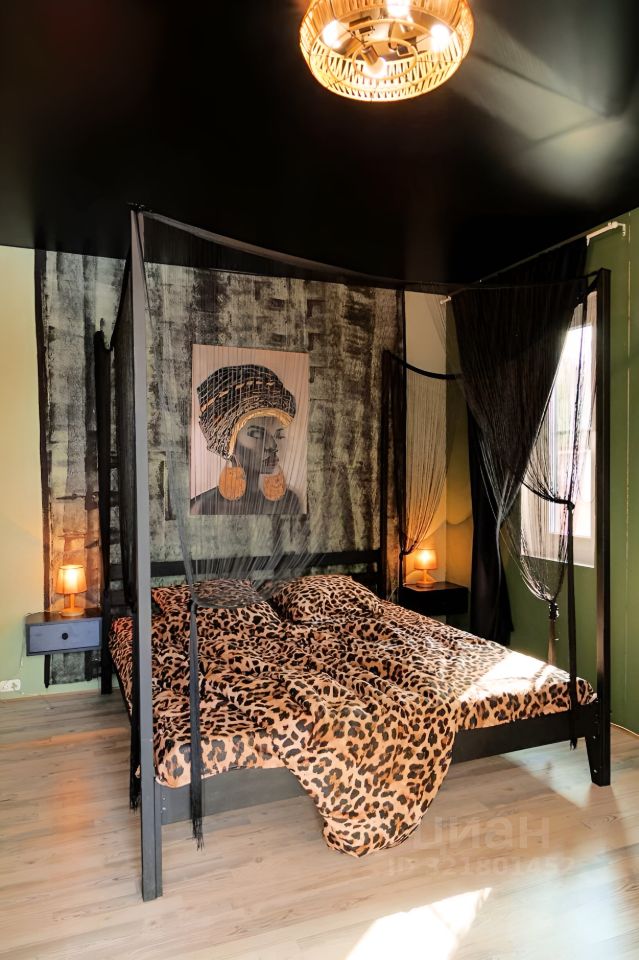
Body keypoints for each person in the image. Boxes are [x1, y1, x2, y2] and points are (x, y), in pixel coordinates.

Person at [190, 364, 304, 516]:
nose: (273, 445)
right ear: (229, 443)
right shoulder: (204, 506)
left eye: (279, 435)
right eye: (257, 434)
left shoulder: (290, 503)